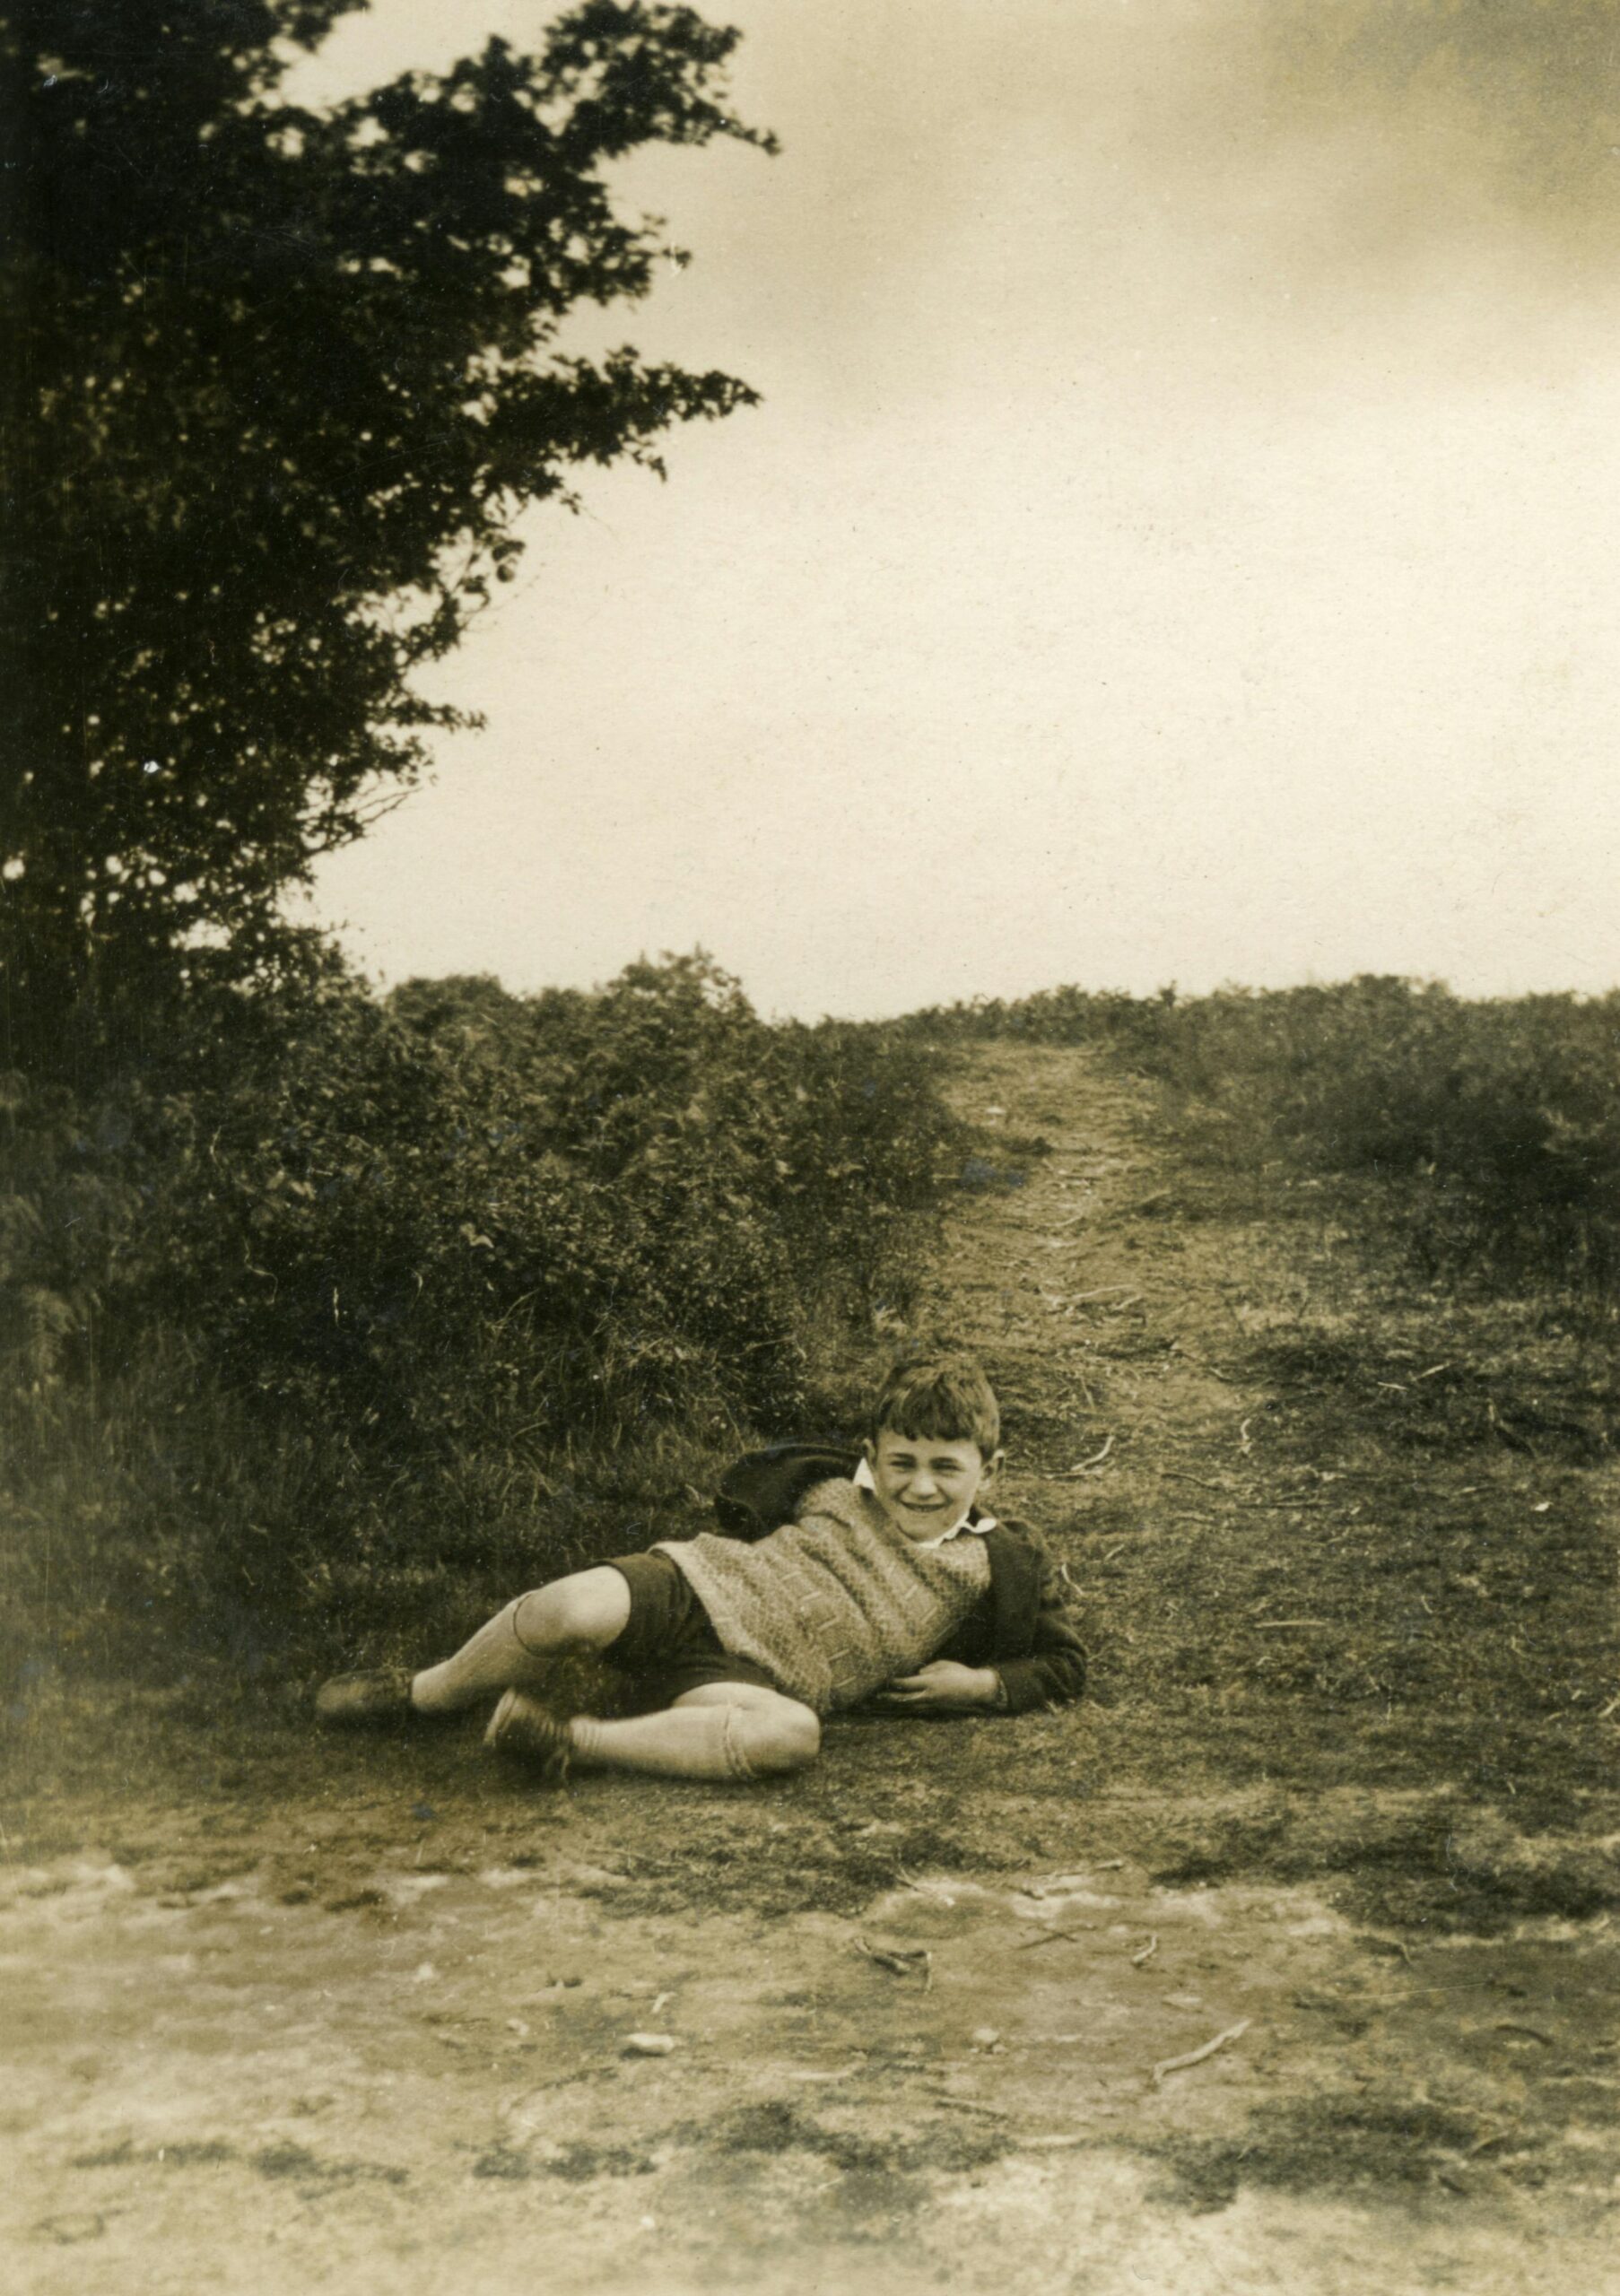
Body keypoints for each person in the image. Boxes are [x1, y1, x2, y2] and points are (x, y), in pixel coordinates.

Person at [313, 1353, 1086, 1784]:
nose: (919, 1486)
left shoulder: (995, 1564)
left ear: (989, 1466)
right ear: (871, 1455)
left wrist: (982, 1685)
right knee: (570, 1607)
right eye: (901, 1462)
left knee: (791, 1738)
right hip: (695, 1588)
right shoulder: (829, 1483)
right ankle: (423, 1694)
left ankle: (569, 1740)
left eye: (946, 1468)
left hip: (754, 1675)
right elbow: (749, 1489)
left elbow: (1062, 1661)